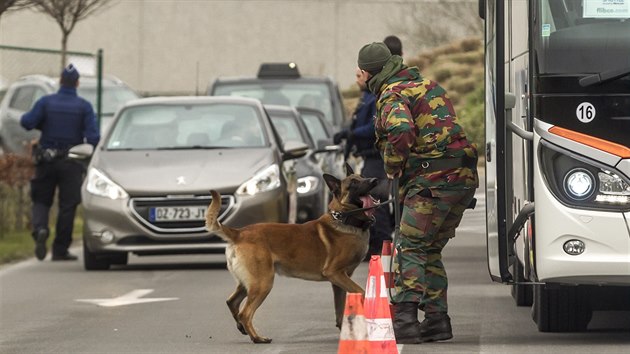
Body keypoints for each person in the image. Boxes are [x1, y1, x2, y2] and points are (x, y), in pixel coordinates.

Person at [356, 42, 478, 344]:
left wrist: (393, 168)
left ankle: (406, 320)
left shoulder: (392, 93)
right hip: (460, 179)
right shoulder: (426, 84)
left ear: (371, 73)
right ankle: (437, 321)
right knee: (429, 249)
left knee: (409, 247)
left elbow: (400, 131)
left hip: (432, 181)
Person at [21, 64, 100, 261]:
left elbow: (27, 122)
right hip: (71, 162)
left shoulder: (46, 103)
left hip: (45, 160)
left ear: (60, 81)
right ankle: (60, 249)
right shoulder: (84, 107)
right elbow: (93, 138)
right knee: (68, 205)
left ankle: (40, 229)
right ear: (78, 83)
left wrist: (42, 123)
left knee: (41, 200)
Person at [333, 66, 393, 261]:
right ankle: (377, 244)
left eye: (360, 76)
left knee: (376, 199)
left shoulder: (375, 99)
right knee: (370, 199)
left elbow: (373, 127)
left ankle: (381, 245)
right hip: (367, 156)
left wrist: (352, 134)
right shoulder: (367, 99)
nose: (357, 80)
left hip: (375, 157)